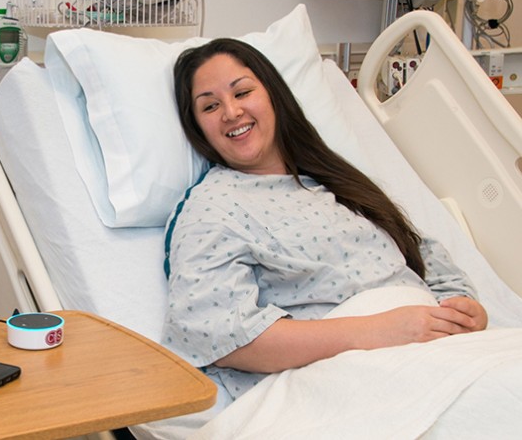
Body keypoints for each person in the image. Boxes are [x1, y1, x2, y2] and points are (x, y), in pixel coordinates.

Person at [162, 38, 488, 401]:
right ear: (198, 128)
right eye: (210, 106)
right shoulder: (213, 207)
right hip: (345, 372)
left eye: (243, 92)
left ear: (273, 95)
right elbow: (218, 336)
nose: (231, 112)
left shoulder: (336, 180)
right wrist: (376, 331)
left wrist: (462, 310)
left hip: (431, 348)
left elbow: (428, 259)